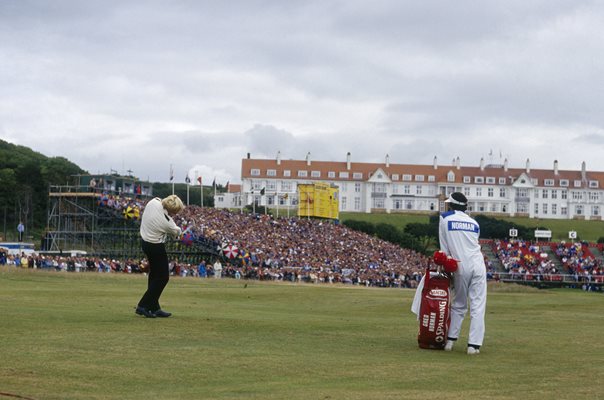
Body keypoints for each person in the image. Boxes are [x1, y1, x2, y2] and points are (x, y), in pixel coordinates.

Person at [439, 192, 487, 355]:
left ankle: (450, 341)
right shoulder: (474, 222)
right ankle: (473, 345)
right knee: (478, 306)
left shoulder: (444, 218)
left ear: (451, 205)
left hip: (460, 266)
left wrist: (446, 268)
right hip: (478, 264)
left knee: (459, 304)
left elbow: (444, 248)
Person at [135, 195, 184, 318]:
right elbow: (176, 231)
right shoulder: (167, 223)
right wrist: (180, 232)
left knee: (155, 275)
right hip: (156, 247)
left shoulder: (153, 202)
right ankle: (143, 305)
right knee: (163, 277)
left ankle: (154, 307)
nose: (174, 215)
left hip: (145, 242)